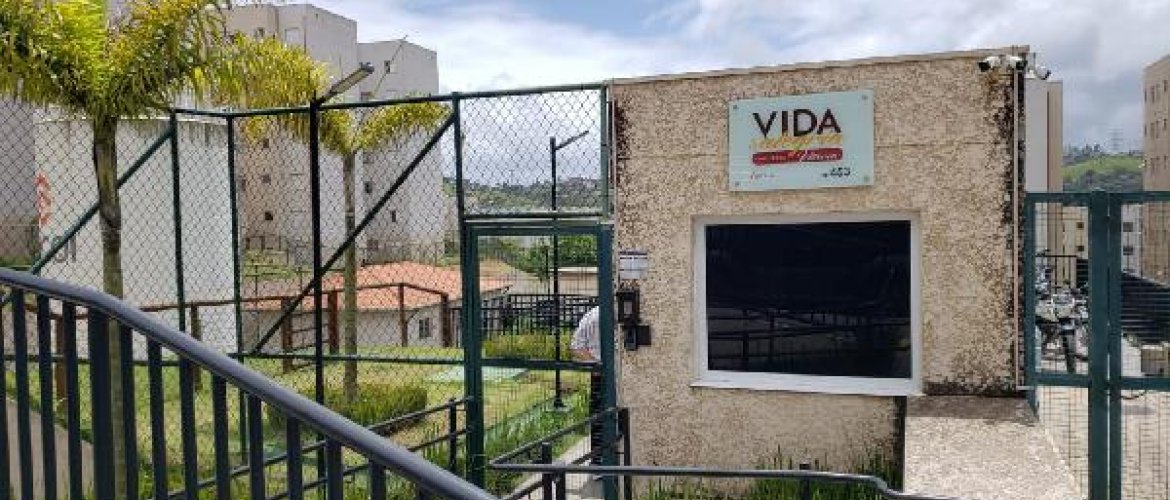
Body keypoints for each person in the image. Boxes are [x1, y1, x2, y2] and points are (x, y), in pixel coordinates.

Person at [569, 306, 604, 466]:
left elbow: (576, 347)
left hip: (600, 374)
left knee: (599, 418)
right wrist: (598, 365)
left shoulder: (591, 315)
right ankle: (601, 461)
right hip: (605, 375)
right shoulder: (595, 316)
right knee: (603, 418)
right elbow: (576, 347)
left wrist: (595, 364)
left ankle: (598, 461)